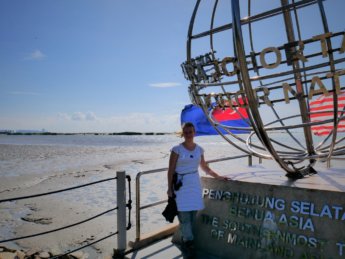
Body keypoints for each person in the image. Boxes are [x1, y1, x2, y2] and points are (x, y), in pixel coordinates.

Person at [167, 122, 229, 256]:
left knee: (193, 216)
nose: (189, 134)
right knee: (184, 216)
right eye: (186, 132)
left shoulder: (199, 149)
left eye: (191, 132)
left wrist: (218, 176)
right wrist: (169, 188)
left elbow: (204, 167)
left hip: (194, 184)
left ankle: (187, 238)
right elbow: (171, 170)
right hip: (180, 186)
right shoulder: (176, 149)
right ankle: (189, 241)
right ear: (183, 133)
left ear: (194, 133)